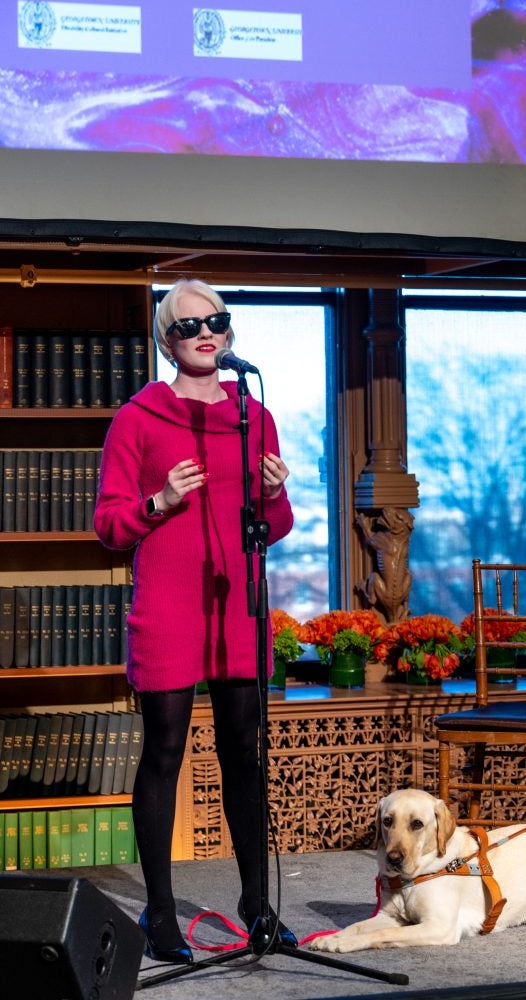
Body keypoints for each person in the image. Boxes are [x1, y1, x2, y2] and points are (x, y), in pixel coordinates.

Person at [94, 278, 295, 964]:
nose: (206, 333)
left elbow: (275, 525)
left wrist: (273, 494)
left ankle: (255, 903)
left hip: (236, 606)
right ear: (166, 340)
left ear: (230, 333)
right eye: (188, 326)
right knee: (164, 754)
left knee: (244, 753)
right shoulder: (139, 418)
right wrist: (162, 499)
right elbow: (109, 527)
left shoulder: (252, 414)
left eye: (217, 321)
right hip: (171, 611)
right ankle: (158, 910)